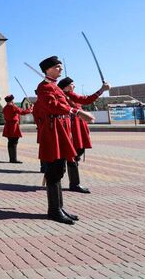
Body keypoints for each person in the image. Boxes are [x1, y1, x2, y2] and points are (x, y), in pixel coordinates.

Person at [33, 56, 95, 224]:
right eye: (58, 67)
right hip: (53, 132)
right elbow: (53, 106)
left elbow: (71, 101)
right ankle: (53, 210)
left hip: (61, 130)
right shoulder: (44, 87)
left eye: (60, 67)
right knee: (54, 171)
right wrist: (78, 113)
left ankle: (59, 207)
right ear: (48, 69)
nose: (61, 69)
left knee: (59, 170)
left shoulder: (54, 86)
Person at [58, 77, 110, 193]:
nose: (74, 86)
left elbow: (84, 100)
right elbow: (87, 100)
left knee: (76, 154)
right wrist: (101, 90)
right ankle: (74, 184)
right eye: (72, 84)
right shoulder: (67, 94)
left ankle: (74, 183)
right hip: (73, 128)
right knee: (74, 155)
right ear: (65, 87)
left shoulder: (68, 94)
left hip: (78, 127)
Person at [2, 95, 33, 163]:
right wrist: (30, 109)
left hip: (7, 126)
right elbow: (22, 112)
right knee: (14, 142)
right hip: (13, 126)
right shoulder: (13, 106)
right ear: (11, 100)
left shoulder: (5, 108)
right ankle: (13, 159)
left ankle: (11, 158)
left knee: (10, 142)